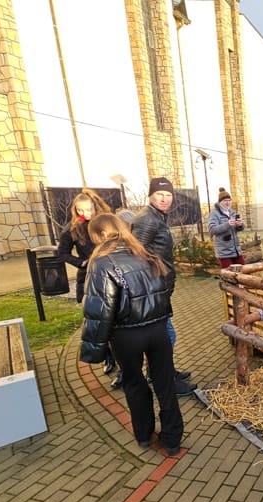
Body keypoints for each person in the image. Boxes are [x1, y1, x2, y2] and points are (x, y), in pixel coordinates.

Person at [79, 214, 183, 456]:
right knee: (165, 384)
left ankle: (144, 435)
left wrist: (93, 350)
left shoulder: (102, 263)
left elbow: (100, 309)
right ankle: (172, 439)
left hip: (126, 335)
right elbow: (164, 291)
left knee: (134, 384)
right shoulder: (146, 255)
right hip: (158, 330)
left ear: (101, 235)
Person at [129, 176, 196, 396]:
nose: (165, 199)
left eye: (168, 195)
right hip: (154, 288)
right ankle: (165, 380)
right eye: (160, 194)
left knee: (165, 336)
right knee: (167, 337)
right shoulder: (147, 219)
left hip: (161, 286)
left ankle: (163, 372)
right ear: (151, 195)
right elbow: (136, 254)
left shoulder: (157, 217)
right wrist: (149, 282)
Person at [57, 189, 115, 374]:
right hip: (89, 278)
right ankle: (107, 357)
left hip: (110, 274)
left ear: (95, 206)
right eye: (80, 210)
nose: (85, 214)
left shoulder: (106, 222)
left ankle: (121, 362)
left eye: (88, 209)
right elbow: (62, 252)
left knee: (114, 320)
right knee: (96, 321)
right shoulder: (73, 228)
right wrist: (80, 263)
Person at [208, 188, 245, 269]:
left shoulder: (232, 212)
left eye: (229, 200)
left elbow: (239, 229)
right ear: (220, 202)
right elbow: (212, 230)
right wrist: (227, 224)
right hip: (224, 252)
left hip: (236, 251)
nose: (227, 202)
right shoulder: (214, 213)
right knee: (229, 276)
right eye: (225, 200)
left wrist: (240, 225)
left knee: (244, 271)